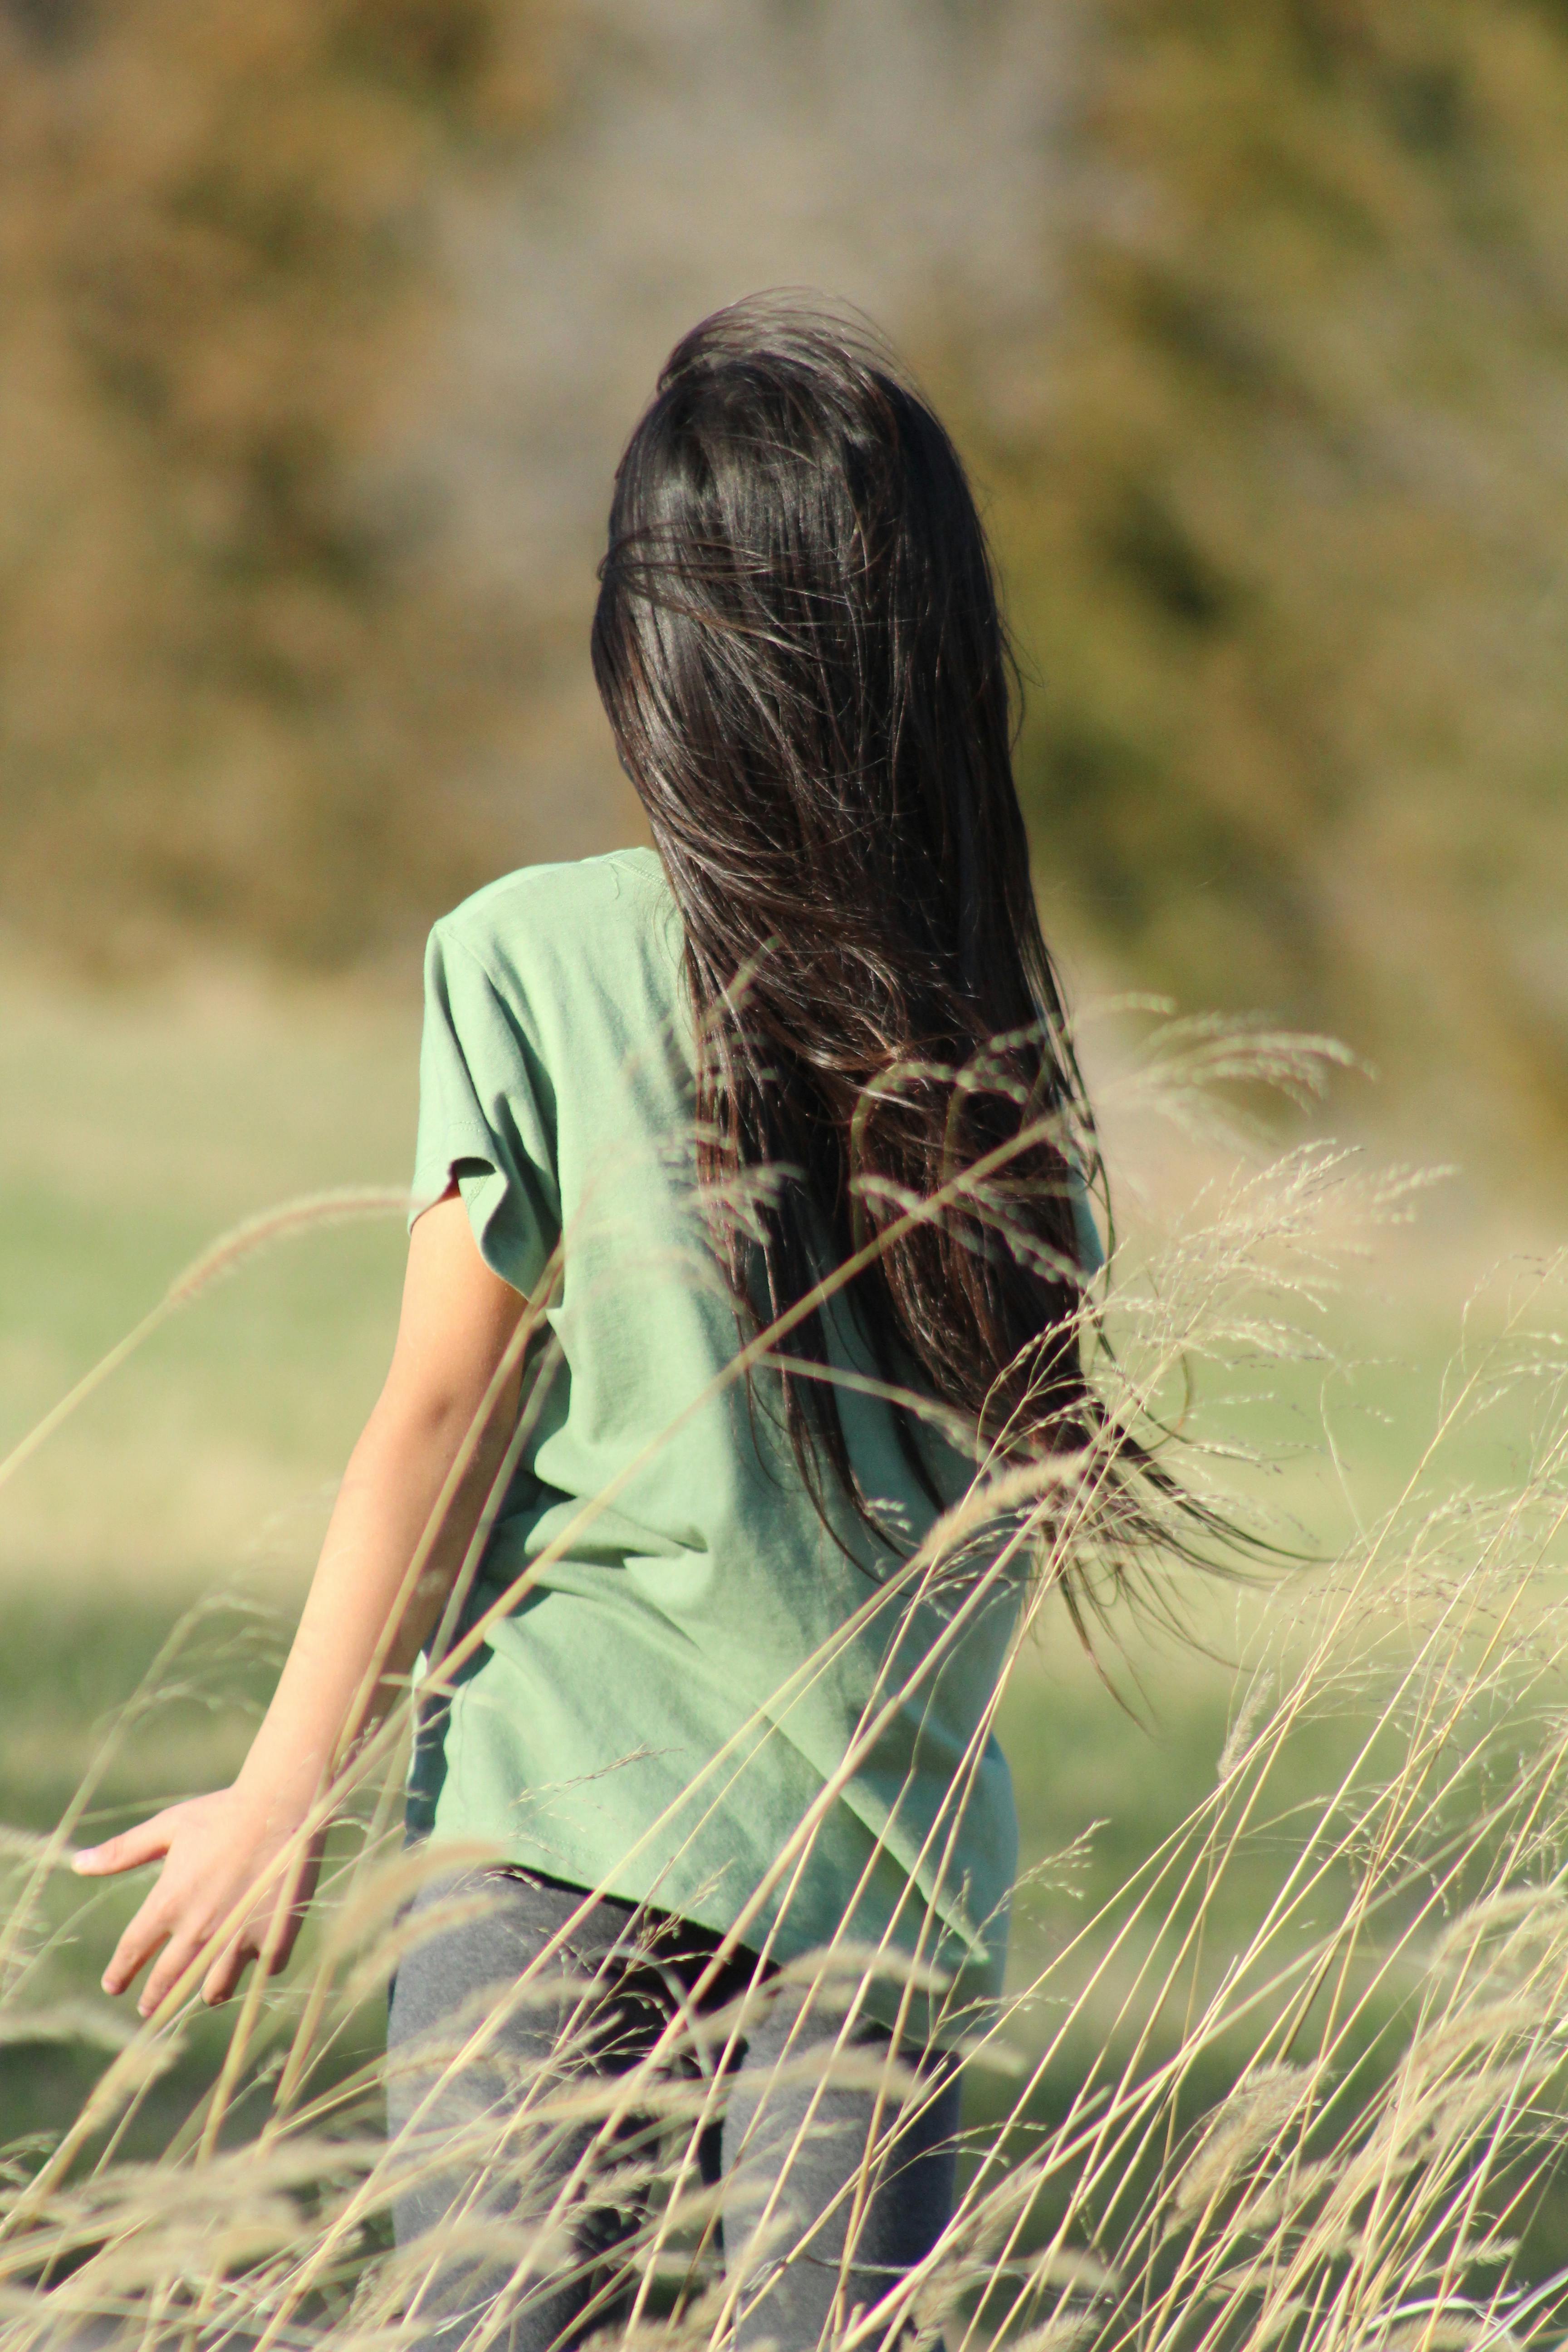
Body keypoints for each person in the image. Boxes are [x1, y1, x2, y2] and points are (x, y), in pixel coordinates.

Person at [74, 300, 1127, 2352]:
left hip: (552, 1832)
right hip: (881, 1880)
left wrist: (289, 1781)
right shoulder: (1002, 1049)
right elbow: (1020, 1493)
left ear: (664, 655)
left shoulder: (534, 957)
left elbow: (434, 1418)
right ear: (927, 659)